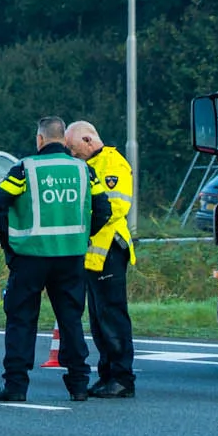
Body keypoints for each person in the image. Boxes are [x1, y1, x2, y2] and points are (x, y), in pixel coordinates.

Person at [0, 116, 111, 403]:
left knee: (21, 319)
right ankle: (79, 384)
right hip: (70, 256)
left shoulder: (25, 169)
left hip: (30, 257)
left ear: (40, 139)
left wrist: (10, 242)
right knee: (71, 320)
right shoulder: (83, 170)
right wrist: (83, 236)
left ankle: (16, 386)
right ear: (63, 139)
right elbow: (104, 208)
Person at [65, 121, 136, 399]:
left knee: (113, 317)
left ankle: (122, 378)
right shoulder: (89, 164)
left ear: (88, 139)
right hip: (94, 256)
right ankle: (108, 375)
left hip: (109, 252)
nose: (72, 154)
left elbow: (113, 207)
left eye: (73, 148)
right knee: (99, 319)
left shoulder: (112, 164)